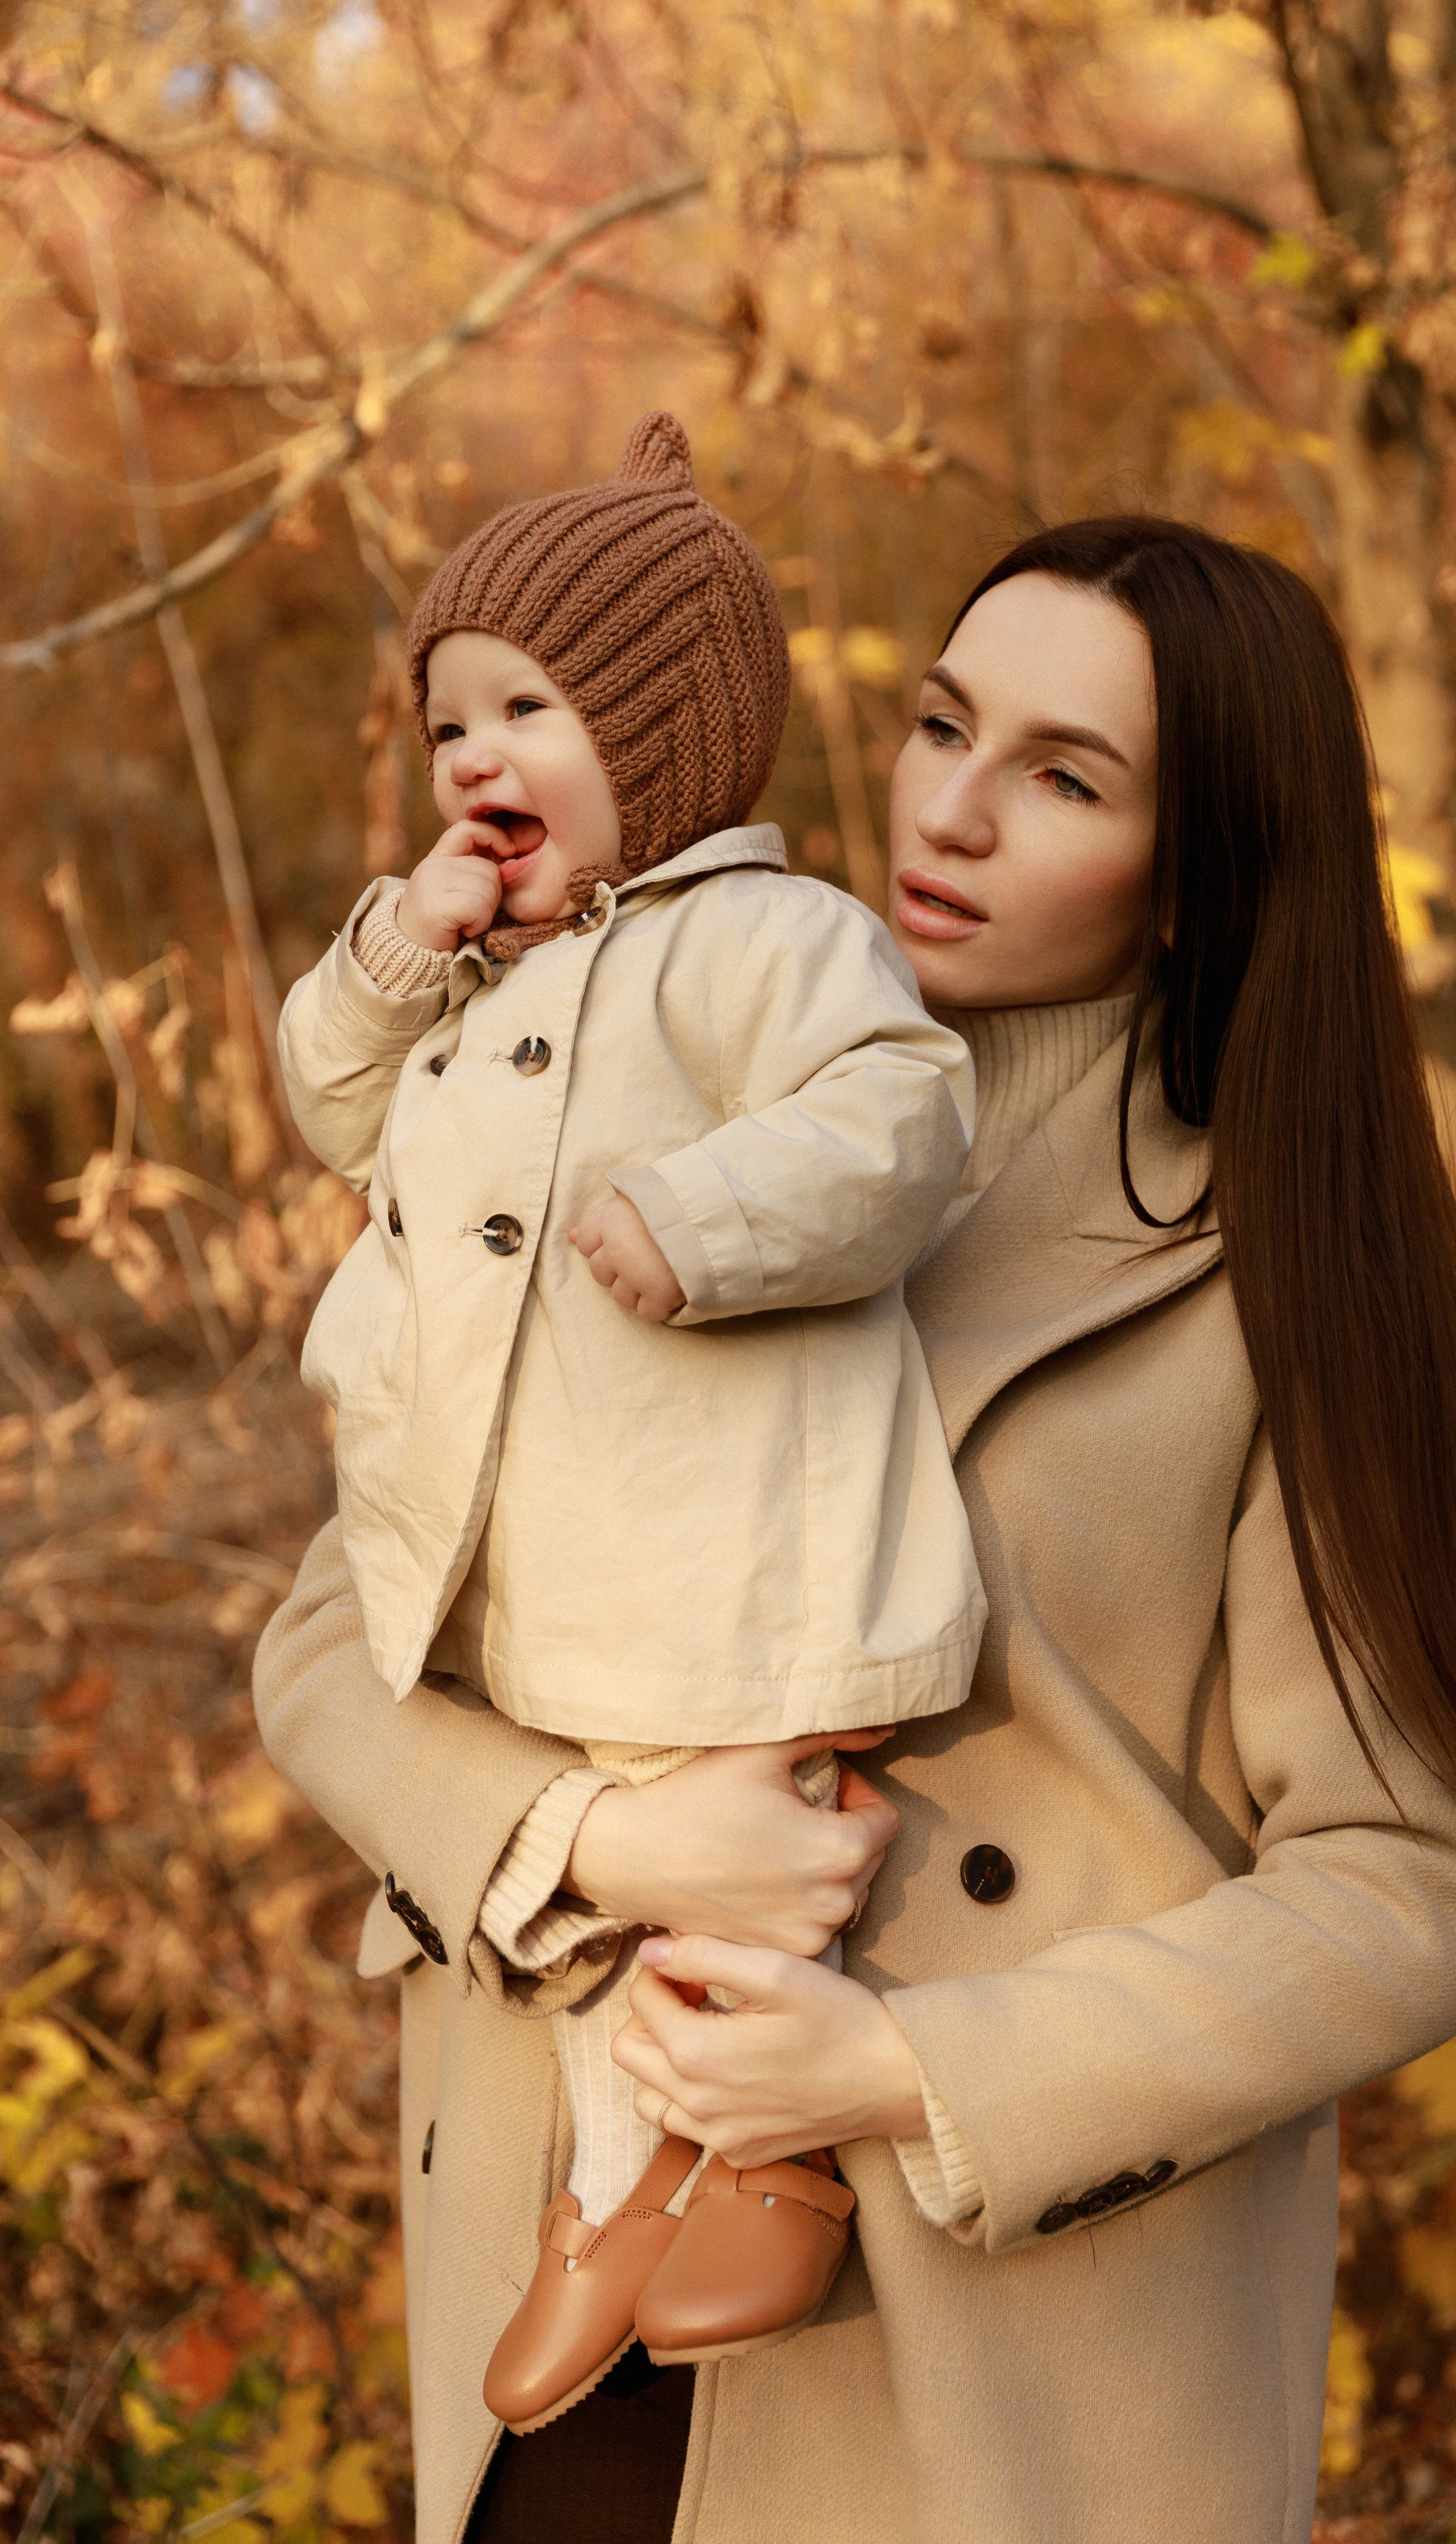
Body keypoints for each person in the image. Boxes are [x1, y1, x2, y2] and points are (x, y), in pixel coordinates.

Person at [254, 513, 1456, 2544]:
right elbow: (338, 1631)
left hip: (989, 2376)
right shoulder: (660, 1100)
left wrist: (915, 2077)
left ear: (1201, 866)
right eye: (945, 724)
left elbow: (1404, 1886)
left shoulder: (1281, 1270)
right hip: (559, 2271)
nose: (948, 809)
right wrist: (584, 1841)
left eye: (1062, 776)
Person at [274, 413, 984, 2434]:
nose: (476, 759)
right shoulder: (475, 977)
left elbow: (897, 1118)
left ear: (666, 740)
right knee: (616, 1890)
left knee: (742, 1863)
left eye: (531, 710)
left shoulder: (763, 942)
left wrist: (699, 1212)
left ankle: (726, 2161)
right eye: (448, 727)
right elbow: (331, 1110)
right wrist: (404, 940)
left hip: (728, 1539)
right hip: (537, 1558)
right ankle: (621, 2174)